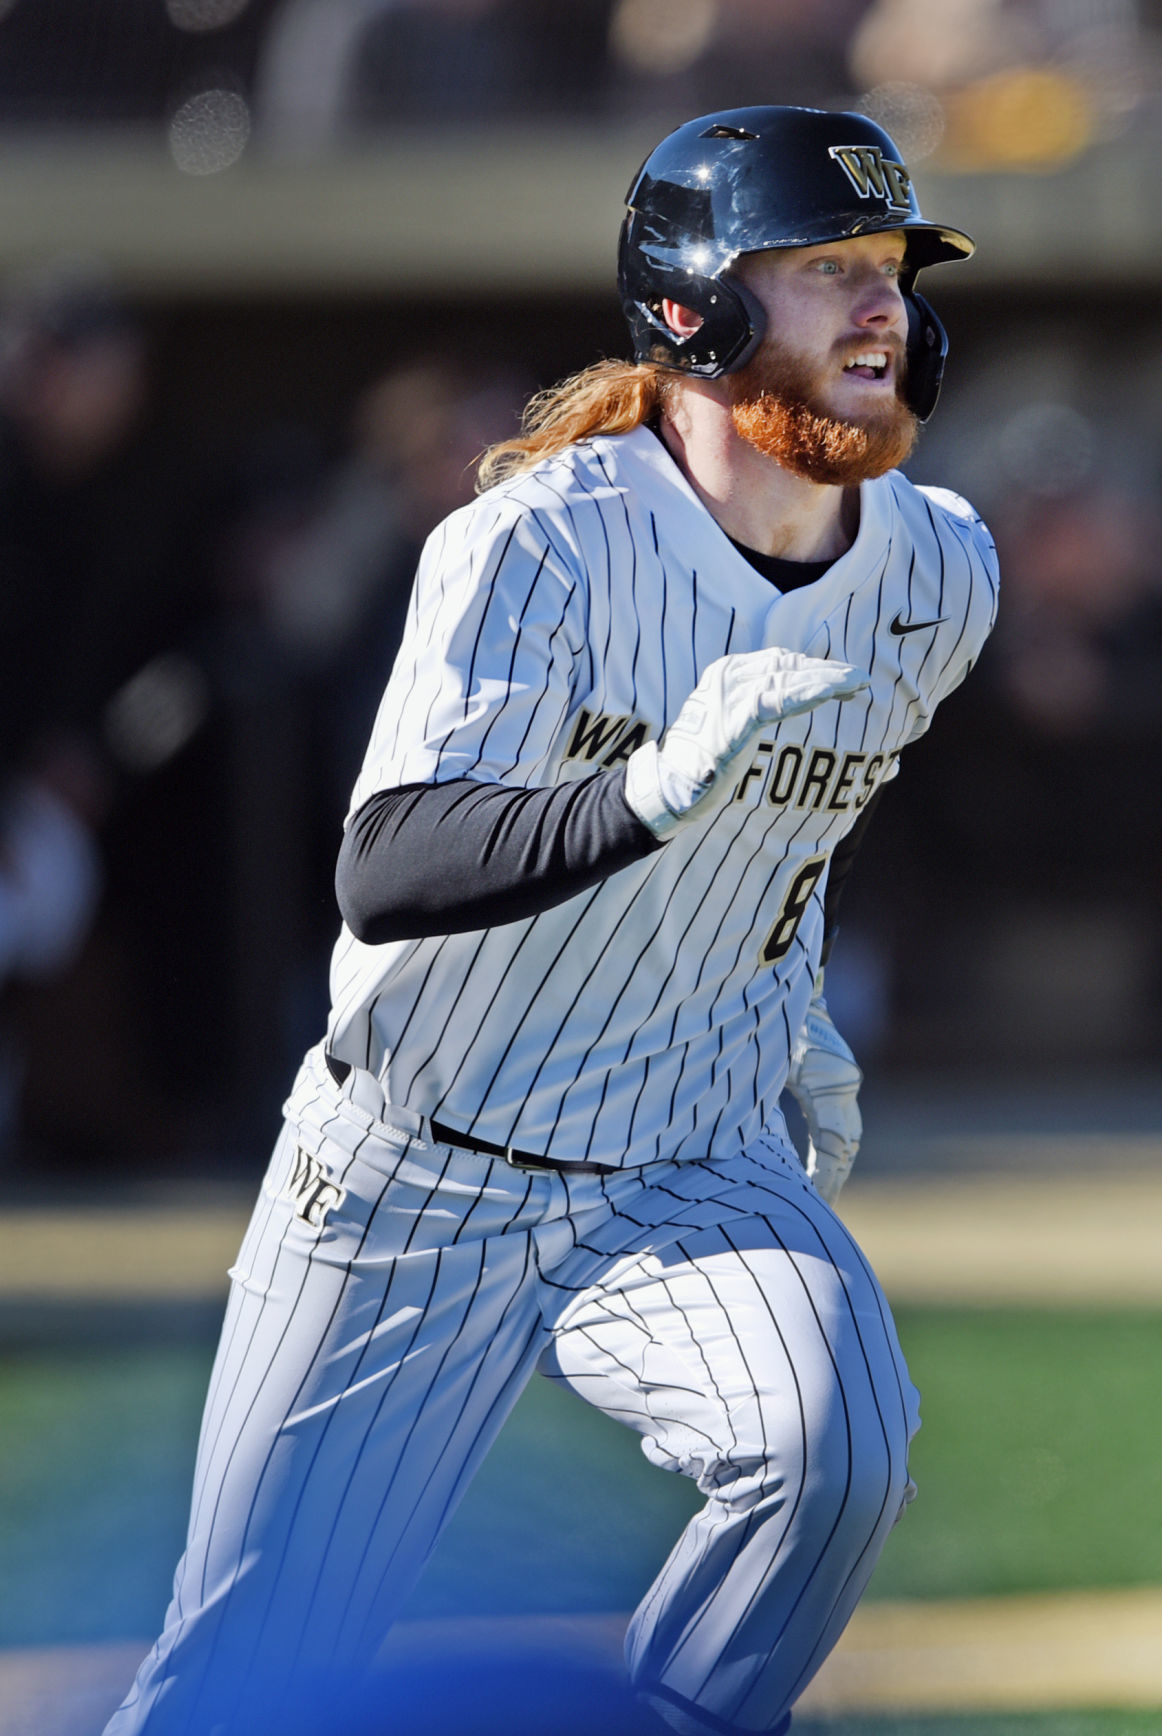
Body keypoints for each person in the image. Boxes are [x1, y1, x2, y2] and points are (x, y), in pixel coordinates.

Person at [106, 105, 997, 1736]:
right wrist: (649, 791)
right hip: (415, 1170)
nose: (882, 309)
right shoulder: (537, 540)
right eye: (825, 272)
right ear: (693, 310)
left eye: (888, 271)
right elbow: (389, 864)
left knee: (833, 1451)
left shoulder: (942, 571)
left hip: (685, 1151)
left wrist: (787, 1003)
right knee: (240, 1680)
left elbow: (799, 833)